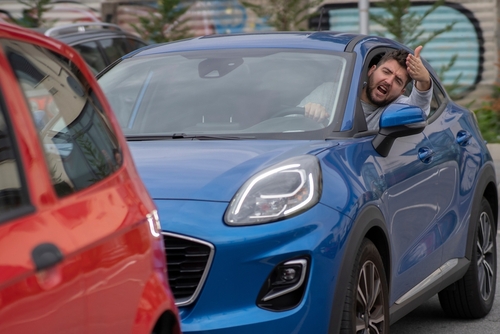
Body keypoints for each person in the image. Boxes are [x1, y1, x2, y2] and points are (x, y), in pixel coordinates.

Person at [300, 46, 432, 130]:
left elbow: (418, 109)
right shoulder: (332, 91)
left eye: (398, 81)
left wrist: (424, 80)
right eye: (386, 72)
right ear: (371, 71)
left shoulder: (397, 107)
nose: (389, 81)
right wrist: (309, 112)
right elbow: (291, 121)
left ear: (402, 92)